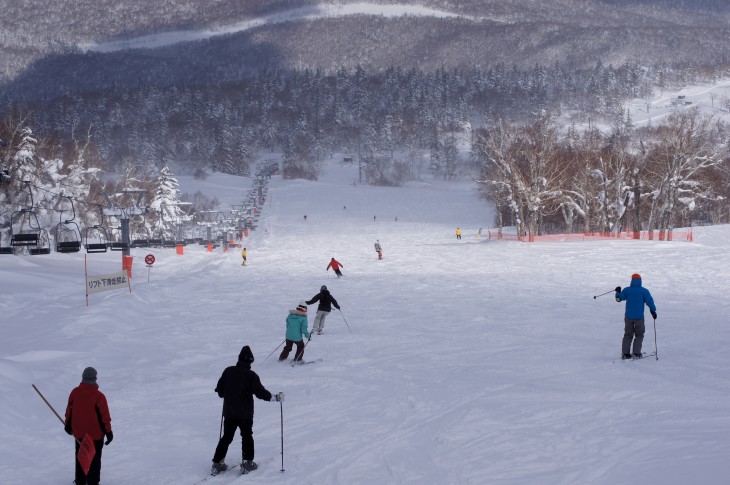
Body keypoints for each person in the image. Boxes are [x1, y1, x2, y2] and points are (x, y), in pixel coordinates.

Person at [212, 346, 284, 475]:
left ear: (239, 359)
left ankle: (217, 463)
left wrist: (224, 390)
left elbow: (220, 392)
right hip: (245, 414)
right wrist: (274, 398)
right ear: (250, 362)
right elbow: (260, 392)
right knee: (246, 437)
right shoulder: (251, 375)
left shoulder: (228, 371)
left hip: (229, 412)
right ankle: (247, 463)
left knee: (226, 437)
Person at [64, 367, 113, 485]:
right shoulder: (99, 396)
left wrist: (67, 425)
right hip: (95, 435)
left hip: (79, 434)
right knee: (94, 461)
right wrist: (108, 432)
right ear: (95, 378)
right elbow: (104, 416)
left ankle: (80, 481)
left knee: (81, 458)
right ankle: (93, 482)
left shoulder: (75, 392)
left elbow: (69, 411)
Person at [615, 273, 657, 359]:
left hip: (628, 317)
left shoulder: (627, 290)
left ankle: (625, 354)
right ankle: (636, 353)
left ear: (632, 280)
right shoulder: (644, 291)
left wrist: (618, 292)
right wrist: (653, 311)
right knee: (639, 335)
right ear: (640, 280)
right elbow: (650, 301)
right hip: (639, 318)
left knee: (628, 335)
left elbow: (618, 299)